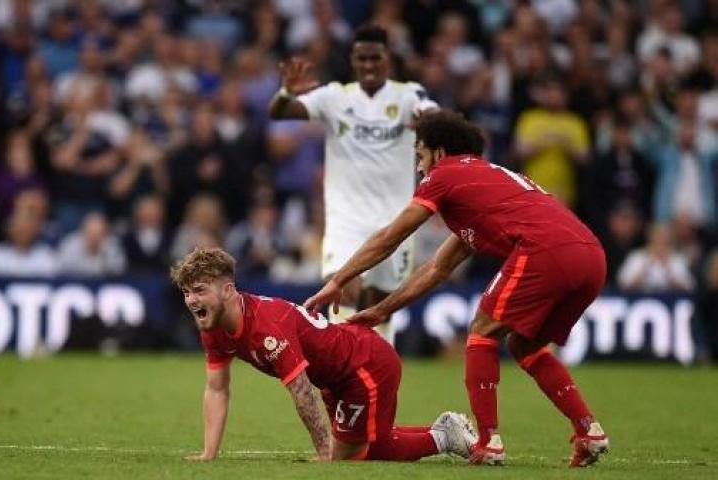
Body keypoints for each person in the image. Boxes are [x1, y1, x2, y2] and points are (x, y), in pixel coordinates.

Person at [305, 110, 610, 467]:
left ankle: (488, 442)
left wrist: (337, 280)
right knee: (523, 344)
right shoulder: (482, 185)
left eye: (420, 156)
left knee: (481, 333)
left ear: (438, 152)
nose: (419, 168)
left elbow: (390, 237)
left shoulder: (446, 174)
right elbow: (438, 267)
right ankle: (588, 430)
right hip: (591, 256)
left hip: (546, 250)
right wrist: (383, 310)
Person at [170, 247, 475, 462]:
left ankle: (445, 438)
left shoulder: (265, 327)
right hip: (334, 379)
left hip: (363, 365)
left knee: (354, 455)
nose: (191, 300)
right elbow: (216, 388)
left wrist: (323, 456)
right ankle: (445, 432)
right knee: (362, 444)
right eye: (186, 293)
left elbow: (302, 391)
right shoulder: (212, 326)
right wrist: (209, 453)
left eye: (199, 290)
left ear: (227, 290)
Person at [268, 24, 438, 338]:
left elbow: (431, 114)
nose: (369, 65)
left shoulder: (407, 95)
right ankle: (343, 378)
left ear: (388, 59)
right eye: (362, 58)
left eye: (375, 58)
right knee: (342, 290)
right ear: (352, 60)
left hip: (396, 219)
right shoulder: (334, 96)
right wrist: (286, 92)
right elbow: (279, 112)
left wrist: (425, 122)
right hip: (346, 218)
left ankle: (379, 378)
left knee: (379, 305)